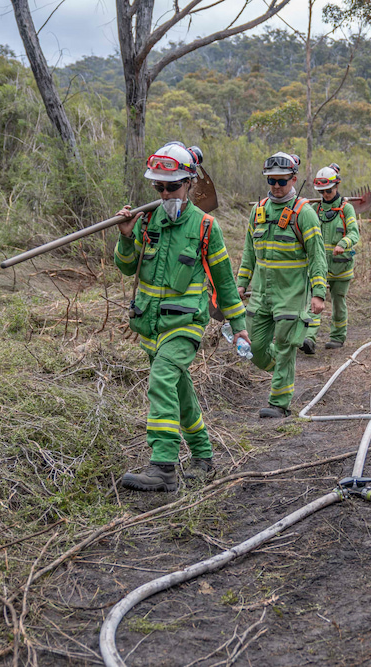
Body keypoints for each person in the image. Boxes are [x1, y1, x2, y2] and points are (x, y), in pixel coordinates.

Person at [113, 141, 249, 492]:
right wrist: (126, 238)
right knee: (179, 389)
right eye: (158, 186)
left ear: (189, 183)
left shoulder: (205, 227)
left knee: (161, 380)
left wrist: (240, 328)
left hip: (185, 326)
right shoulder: (148, 221)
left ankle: (163, 467)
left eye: (172, 186)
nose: (164, 192)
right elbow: (128, 267)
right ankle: (204, 457)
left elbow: (225, 283)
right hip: (150, 326)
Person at [236, 152, 327, 418]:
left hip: (292, 294)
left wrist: (318, 293)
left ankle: (279, 403)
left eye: (282, 181)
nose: (276, 186)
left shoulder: (304, 213)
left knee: (286, 346)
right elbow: (249, 251)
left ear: (293, 179)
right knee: (253, 348)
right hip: (261, 294)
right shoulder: (258, 210)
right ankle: (283, 369)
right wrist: (241, 283)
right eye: (272, 180)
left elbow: (317, 255)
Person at [301, 163, 359, 352]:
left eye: (329, 191)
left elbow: (354, 233)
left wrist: (343, 244)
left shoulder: (346, 209)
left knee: (338, 303)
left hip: (341, 268)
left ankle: (337, 337)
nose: (325, 195)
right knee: (315, 301)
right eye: (322, 191)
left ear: (336, 187)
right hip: (319, 267)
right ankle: (309, 338)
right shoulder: (315, 210)